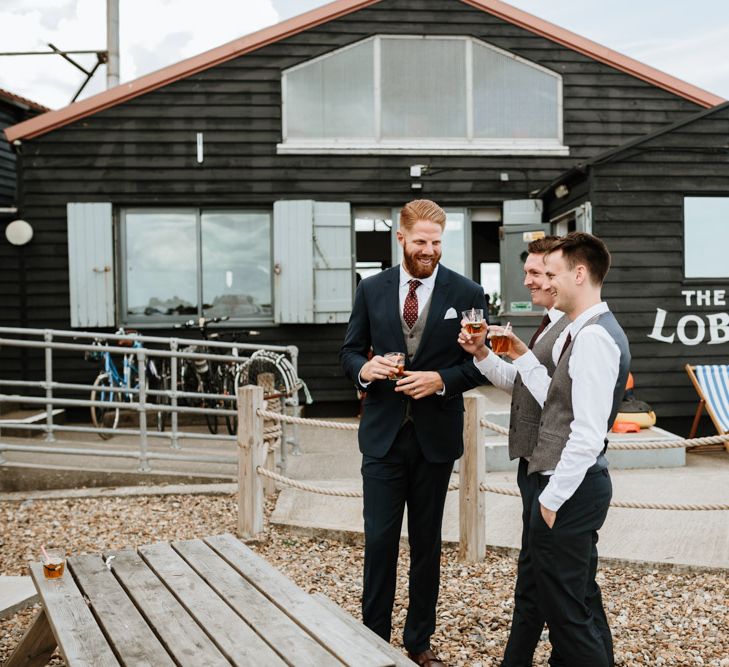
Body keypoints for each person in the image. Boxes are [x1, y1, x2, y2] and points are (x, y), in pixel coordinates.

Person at [340, 199, 487, 667]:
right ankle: (372, 638)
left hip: (435, 438)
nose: (429, 250)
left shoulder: (467, 292)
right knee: (380, 540)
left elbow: (479, 365)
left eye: (437, 242)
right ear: (400, 238)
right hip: (382, 436)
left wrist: (441, 380)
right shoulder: (371, 288)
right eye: (421, 241)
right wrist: (368, 368)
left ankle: (419, 641)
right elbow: (347, 353)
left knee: (427, 544)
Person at [484, 232, 629, 667]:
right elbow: (558, 401)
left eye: (554, 273)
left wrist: (551, 498)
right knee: (579, 596)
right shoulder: (583, 331)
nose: (546, 281)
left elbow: (585, 433)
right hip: (572, 487)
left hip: (569, 488)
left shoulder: (592, 338)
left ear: (579, 274)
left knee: (566, 613)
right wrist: (523, 356)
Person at [458, 235, 569, 667]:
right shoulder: (549, 321)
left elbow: (558, 403)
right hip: (532, 462)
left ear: (563, 276)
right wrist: (483, 353)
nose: (528, 281)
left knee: (544, 574)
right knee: (538, 571)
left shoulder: (570, 330)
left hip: (553, 468)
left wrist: (521, 355)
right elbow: (522, 385)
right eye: (528, 272)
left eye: (537, 273)